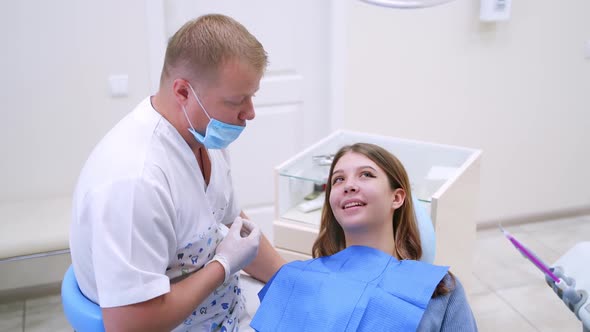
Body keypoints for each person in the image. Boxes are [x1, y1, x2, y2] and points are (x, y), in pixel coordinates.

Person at [69, 14, 285, 331]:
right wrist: (222, 266)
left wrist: (290, 277)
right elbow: (130, 326)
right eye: (238, 100)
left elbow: (233, 225)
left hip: (219, 310)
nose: (249, 113)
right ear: (183, 91)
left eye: (252, 96)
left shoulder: (205, 134)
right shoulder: (135, 183)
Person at [251, 143, 478, 331]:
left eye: (366, 175)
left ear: (397, 198)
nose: (348, 185)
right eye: (338, 180)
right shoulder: (295, 280)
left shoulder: (438, 289)